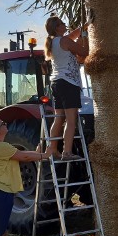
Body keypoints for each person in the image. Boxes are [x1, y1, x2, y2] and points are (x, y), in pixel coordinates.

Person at [44, 15, 90, 160]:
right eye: (63, 24)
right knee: (71, 120)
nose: (65, 25)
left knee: (59, 118)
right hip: (69, 83)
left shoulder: (54, 41)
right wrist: (86, 37)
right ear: (57, 28)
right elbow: (84, 52)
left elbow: (73, 34)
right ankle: (67, 152)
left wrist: (85, 25)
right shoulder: (64, 41)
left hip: (57, 83)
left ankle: (52, 149)